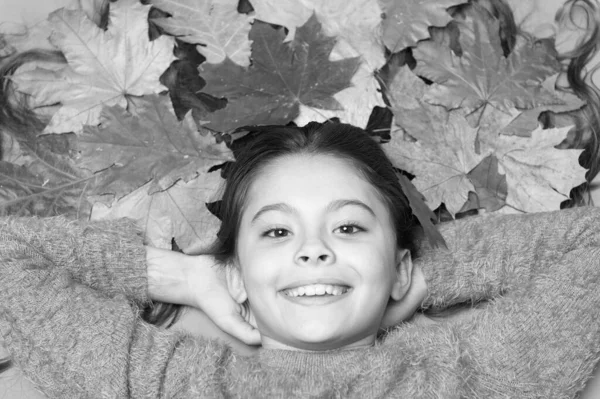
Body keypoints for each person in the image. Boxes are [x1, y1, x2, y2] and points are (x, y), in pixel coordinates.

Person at [3, 122, 600, 398]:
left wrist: (423, 267)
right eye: (278, 230)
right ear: (236, 272)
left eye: (346, 226)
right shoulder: (169, 386)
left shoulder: (471, 379)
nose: (313, 248)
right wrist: (188, 275)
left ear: (397, 263)